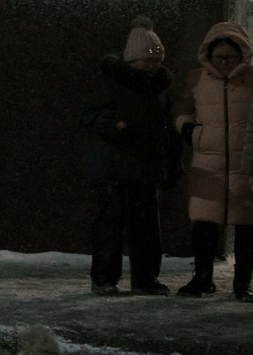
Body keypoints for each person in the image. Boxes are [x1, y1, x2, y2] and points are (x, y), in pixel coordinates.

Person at [80, 17, 175, 294]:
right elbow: (91, 115)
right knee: (113, 225)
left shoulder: (156, 89)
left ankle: (142, 278)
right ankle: (106, 279)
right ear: (133, 60)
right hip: (115, 166)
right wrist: (114, 125)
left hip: (142, 166)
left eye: (156, 61)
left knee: (144, 228)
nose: (153, 66)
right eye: (148, 61)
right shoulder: (113, 84)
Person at [176, 20, 253, 298]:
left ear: (241, 55)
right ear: (208, 55)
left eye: (229, 57)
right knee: (204, 226)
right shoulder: (196, 79)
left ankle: (242, 283)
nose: (223, 62)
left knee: (246, 228)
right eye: (218, 57)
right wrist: (189, 131)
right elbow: (183, 110)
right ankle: (203, 278)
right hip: (207, 164)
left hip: (245, 166)